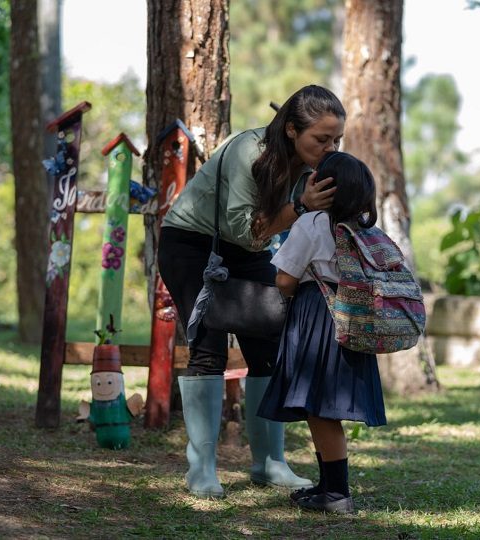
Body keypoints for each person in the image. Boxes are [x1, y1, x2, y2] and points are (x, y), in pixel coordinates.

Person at [158, 85, 346, 499]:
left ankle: (269, 464)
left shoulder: (312, 166)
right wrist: (301, 206)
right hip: (193, 245)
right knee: (208, 349)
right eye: (321, 139)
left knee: (270, 347)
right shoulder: (251, 151)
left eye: (336, 140)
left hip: (250, 250)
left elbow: (262, 238)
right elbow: (248, 227)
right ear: (293, 130)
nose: (330, 147)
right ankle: (202, 469)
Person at [257, 151, 387, 515]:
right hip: (354, 320)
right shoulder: (365, 229)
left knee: (321, 408)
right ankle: (328, 485)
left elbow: (284, 279)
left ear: (323, 186)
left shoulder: (313, 223)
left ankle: (338, 493)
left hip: (319, 316)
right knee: (321, 408)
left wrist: (292, 293)